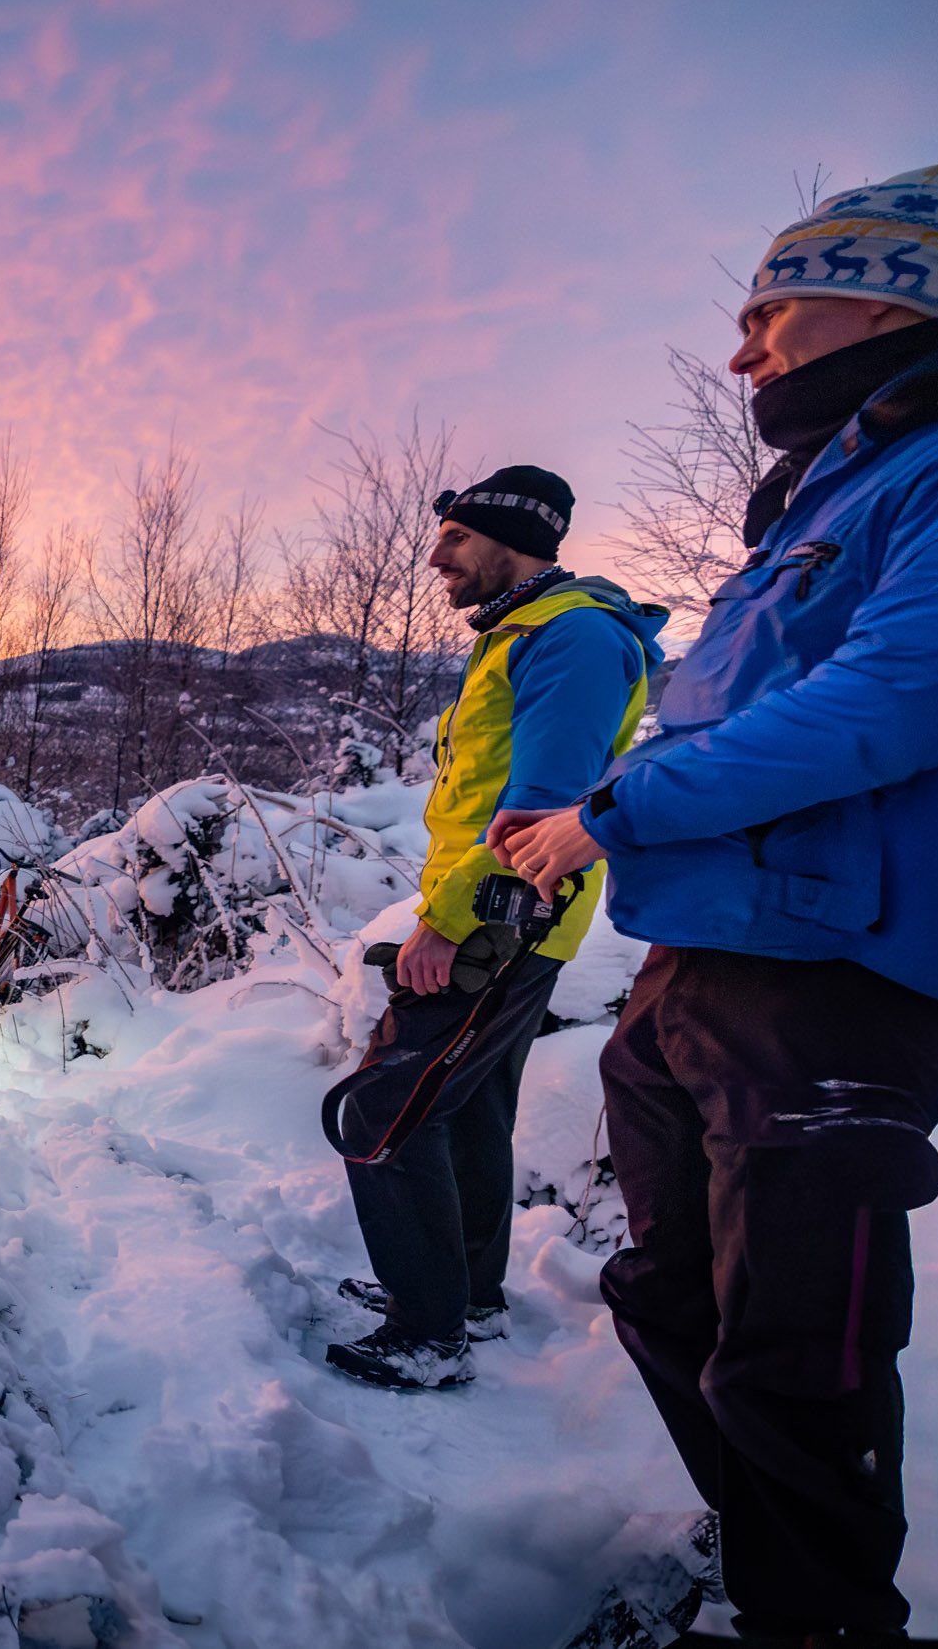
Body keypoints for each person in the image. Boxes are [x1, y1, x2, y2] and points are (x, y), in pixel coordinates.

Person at [492, 163, 938, 1643]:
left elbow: (902, 700)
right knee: (672, 1295)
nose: (745, 355)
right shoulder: (849, 481)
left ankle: (818, 1618)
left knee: (800, 1348)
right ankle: (769, 1568)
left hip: (842, 964)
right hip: (712, 953)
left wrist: (615, 810)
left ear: (891, 294)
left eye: (768, 310)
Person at [322, 466, 668, 1390]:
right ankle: (466, 1295)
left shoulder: (575, 638)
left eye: (456, 537)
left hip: (502, 917)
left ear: (513, 539)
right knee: (467, 1106)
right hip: (507, 914)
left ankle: (428, 1331)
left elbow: (547, 804)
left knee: (381, 1108)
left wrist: (447, 922)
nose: (437, 556)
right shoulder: (527, 634)